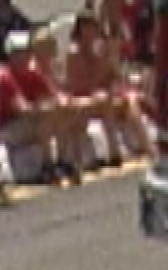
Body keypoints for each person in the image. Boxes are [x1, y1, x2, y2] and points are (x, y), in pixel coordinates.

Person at [0, 33, 93, 184]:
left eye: (26, 52)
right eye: (19, 53)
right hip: (8, 128)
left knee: (63, 114)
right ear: (11, 56)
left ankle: (64, 161)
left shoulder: (33, 73)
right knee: (46, 119)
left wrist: (67, 104)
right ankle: (47, 165)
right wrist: (48, 107)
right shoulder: (6, 77)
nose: (24, 57)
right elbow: (22, 109)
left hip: (30, 120)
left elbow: (55, 96)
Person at [61, 11, 156, 163]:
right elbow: (86, 86)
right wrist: (104, 65)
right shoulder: (74, 55)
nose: (95, 33)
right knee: (104, 99)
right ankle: (114, 150)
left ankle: (148, 147)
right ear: (82, 29)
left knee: (130, 100)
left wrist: (113, 63)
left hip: (103, 100)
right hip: (82, 100)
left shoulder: (97, 52)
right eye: (91, 28)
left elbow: (117, 79)